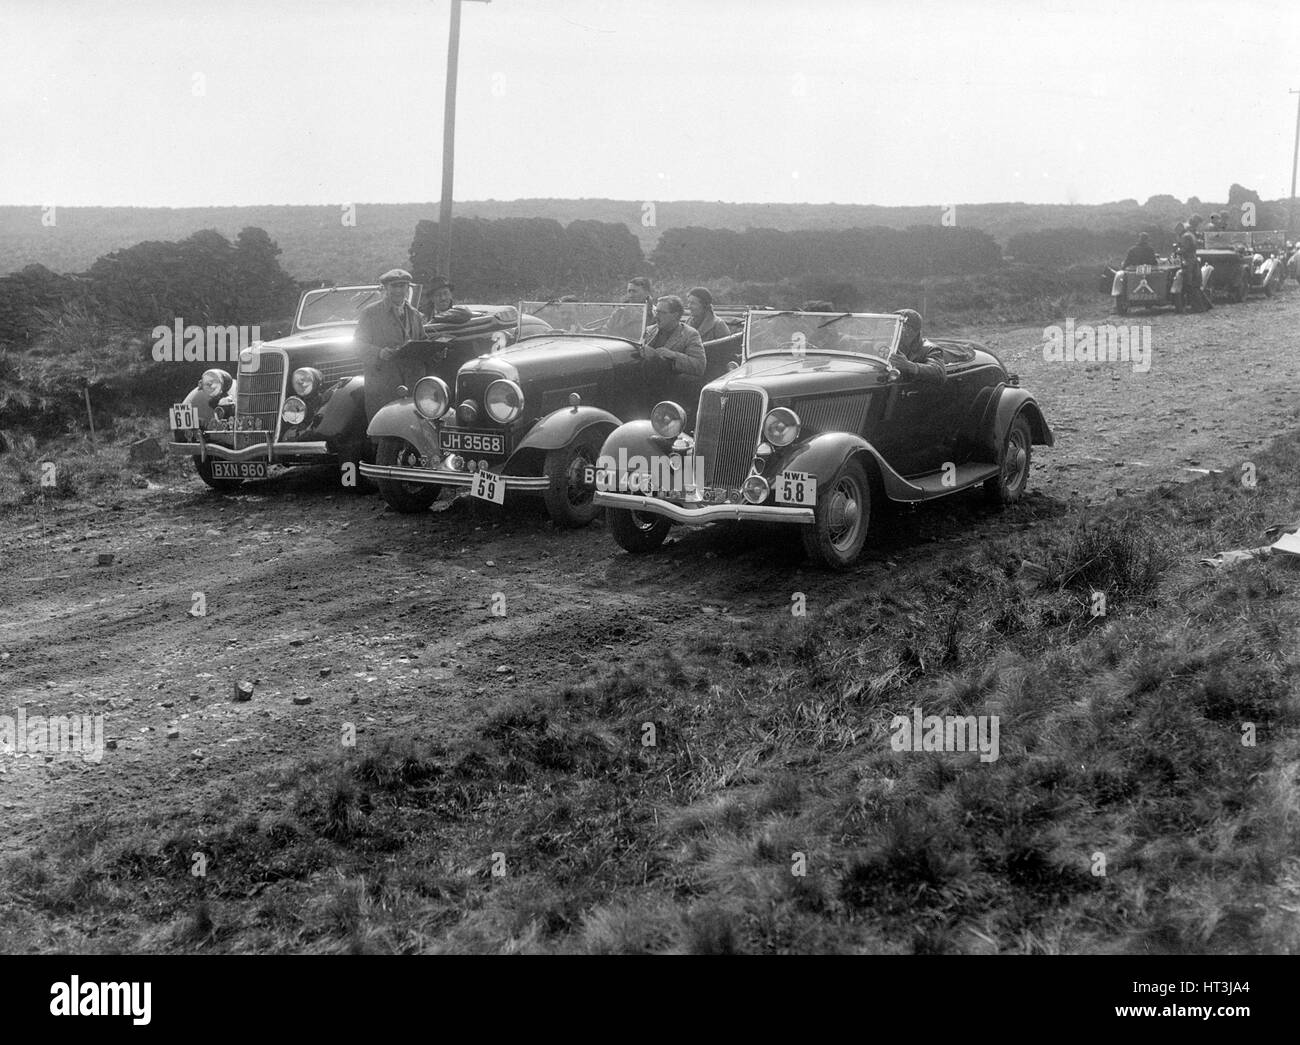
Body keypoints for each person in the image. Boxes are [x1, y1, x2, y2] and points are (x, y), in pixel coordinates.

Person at [356, 269, 431, 421]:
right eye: (394, 286)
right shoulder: (370, 313)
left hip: (411, 386)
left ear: (407, 288)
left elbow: (422, 341)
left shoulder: (415, 315)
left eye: (402, 286)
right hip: (384, 386)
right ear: (385, 288)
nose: (399, 290)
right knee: (385, 434)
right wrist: (379, 352)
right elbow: (357, 345)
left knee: (413, 433)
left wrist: (435, 350)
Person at [640, 295, 706, 409]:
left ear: (675, 315)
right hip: (642, 383)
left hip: (669, 390)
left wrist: (673, 355)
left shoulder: (690, 334)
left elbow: (699, 365)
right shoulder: (649, 330)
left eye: (661, 313)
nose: (656, 316)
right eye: (656, 311)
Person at [891, 309, 946, 387]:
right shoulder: (890, 344)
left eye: (900, 327)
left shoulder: (930, 349)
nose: (894, 330)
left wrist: (909, 366)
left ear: (913, 331)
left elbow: (939, 372)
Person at [1176, 224, 1211, 311]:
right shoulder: (1190, 234)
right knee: (1195, 286)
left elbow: (1186, 248)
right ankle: (1205, 305)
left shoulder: (1185, 236)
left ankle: (1198, 307)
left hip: (1189, 261)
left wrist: (1178, 251)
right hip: (1193, 260)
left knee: (1190, 285)